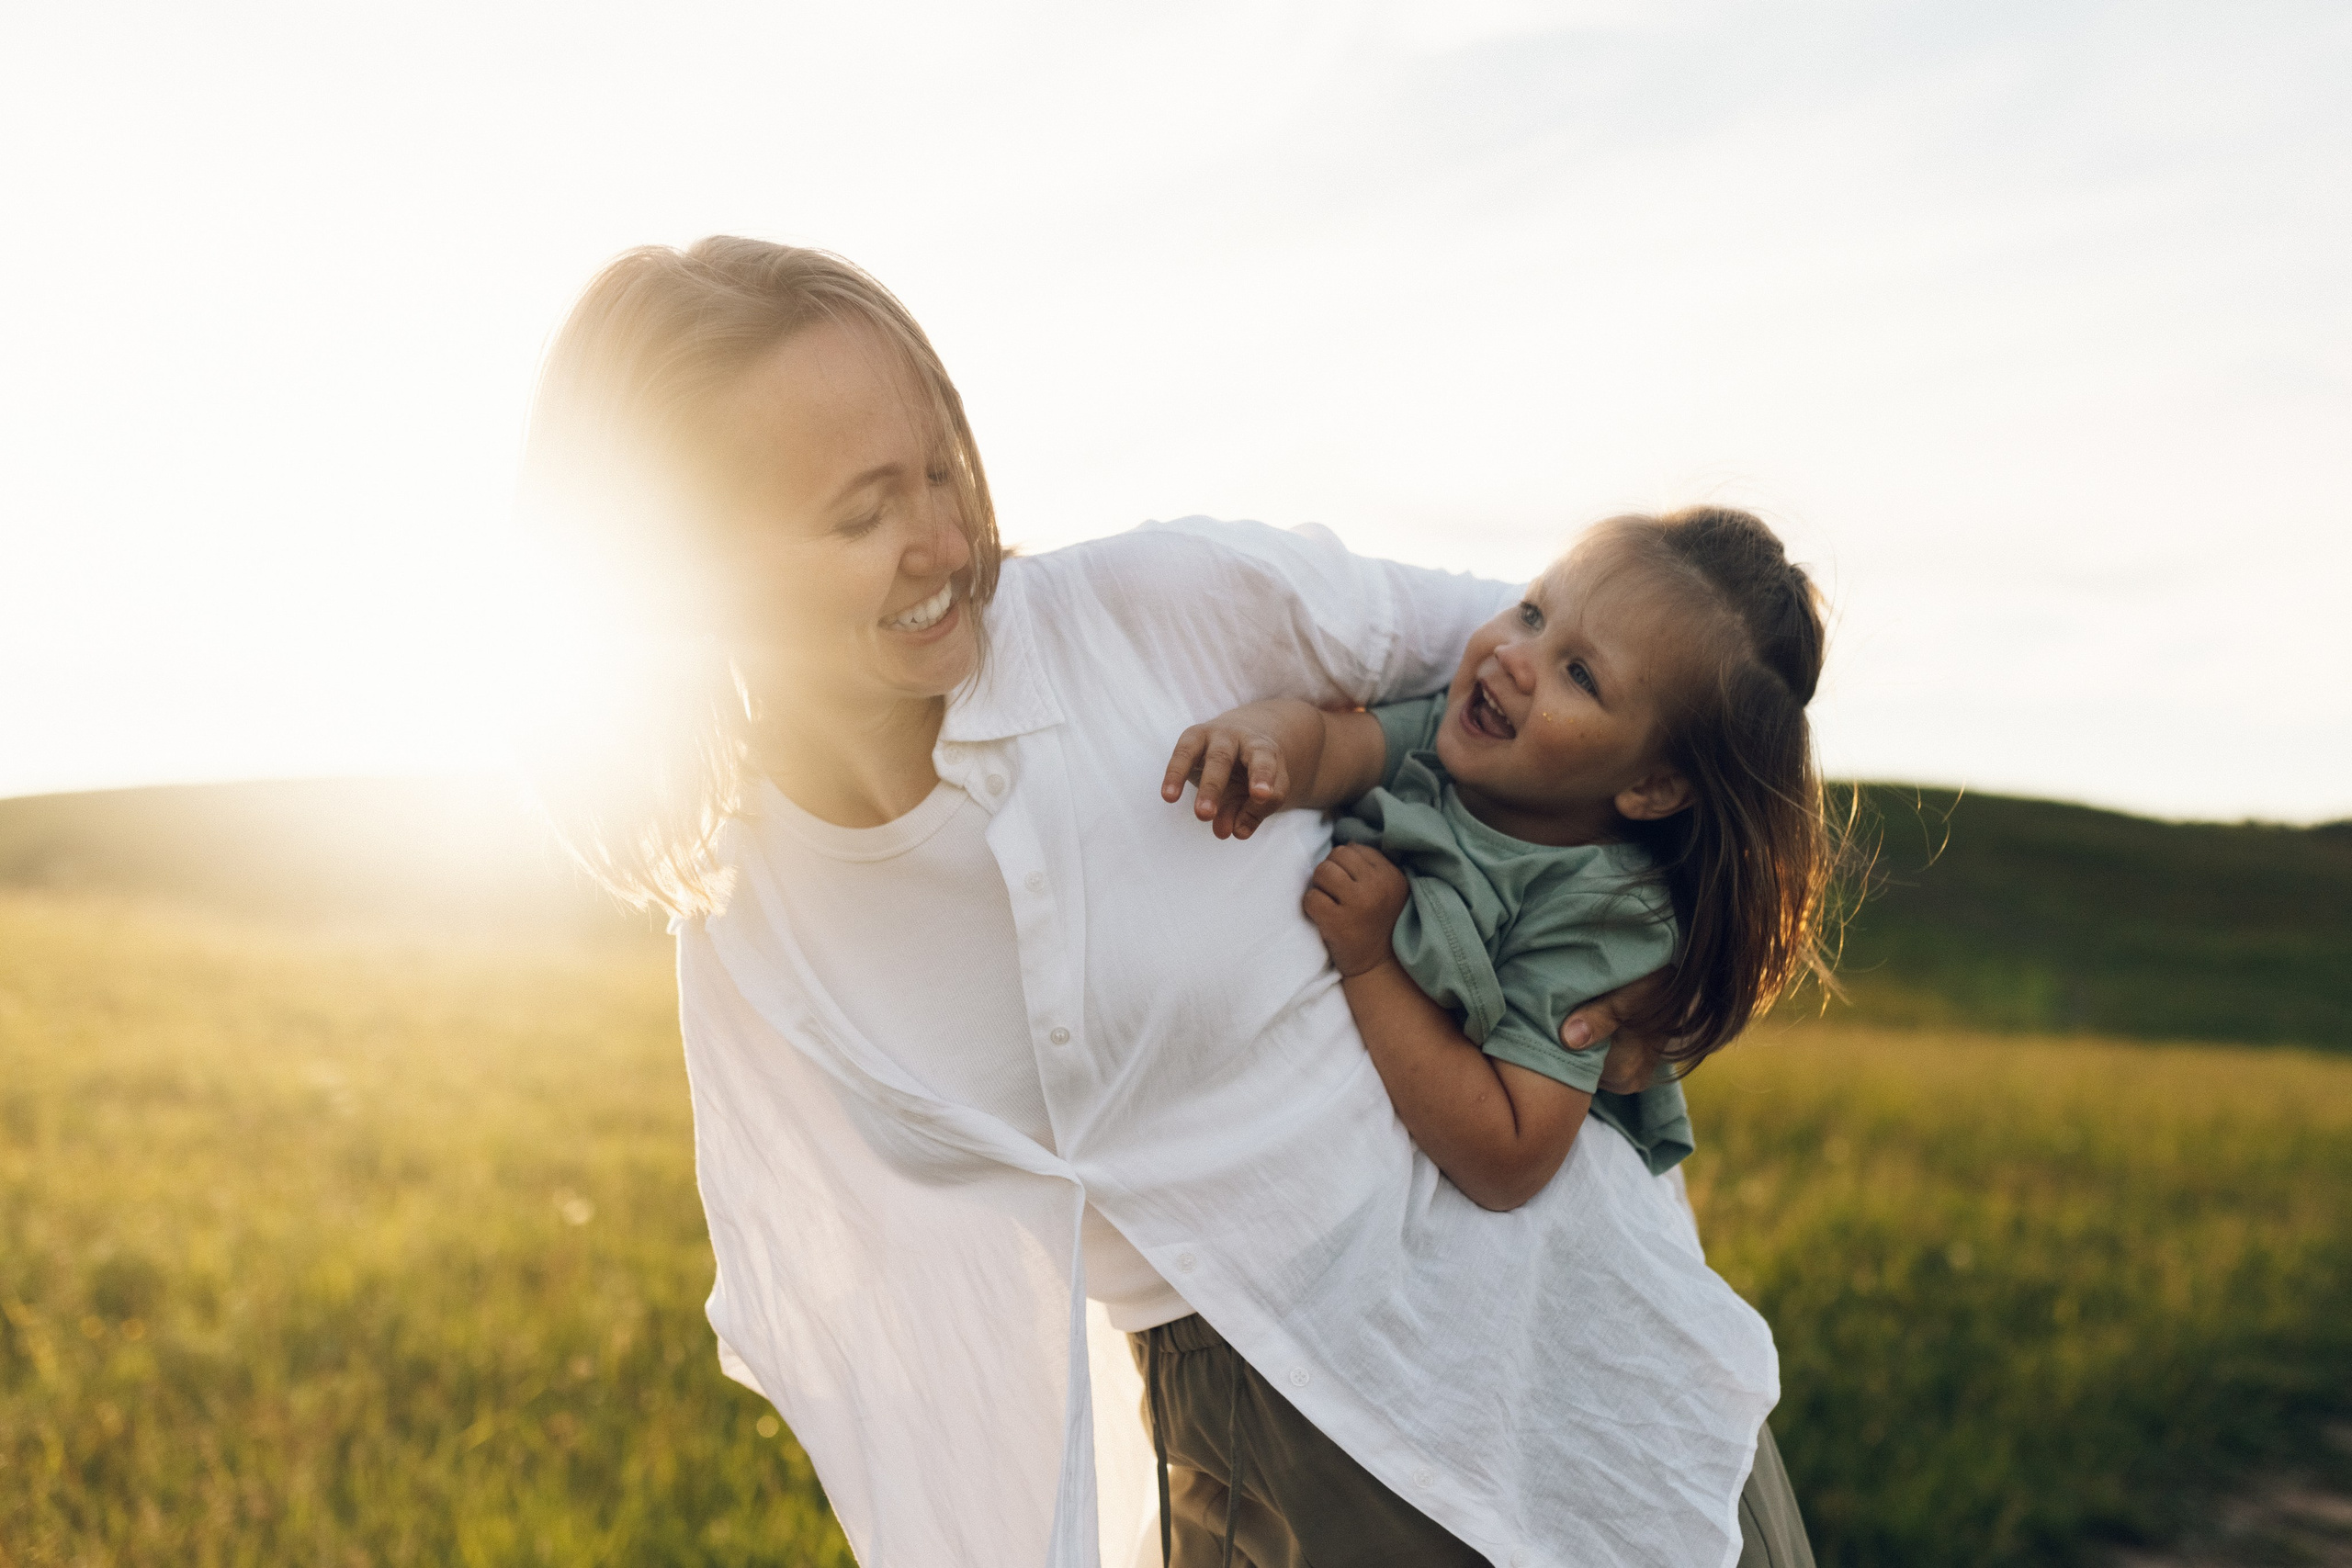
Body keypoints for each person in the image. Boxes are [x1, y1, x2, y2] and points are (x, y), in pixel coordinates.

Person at [521, 236, 1817, 1568]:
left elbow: (1647, 672)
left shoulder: (1163, 608)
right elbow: (845, 1308)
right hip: (1247, 1461)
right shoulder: (752, 922)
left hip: (1576, 1371)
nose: (951, 543)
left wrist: (1687, 947)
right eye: (864, 515)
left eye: (942, 472)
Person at [1159, 507, 1837, 1211]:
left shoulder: (1605, 910)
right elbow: (1335, 746)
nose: (1514, 655)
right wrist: (1260, 739)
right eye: (1532, 613)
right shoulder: (1447, 741)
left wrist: (1374, 960)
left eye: (1579, 673)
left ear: (1652, 785)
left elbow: (1510, 1158)